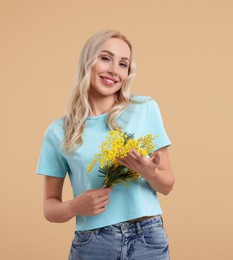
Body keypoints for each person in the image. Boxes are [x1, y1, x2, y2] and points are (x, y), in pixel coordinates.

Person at [36, 30, 175, 260]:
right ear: (88, 61)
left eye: (123, 64)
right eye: (105, 58)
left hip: (148, 239)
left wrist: (150, 172)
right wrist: (75, 206)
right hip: (93, 243)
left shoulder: (145, 109)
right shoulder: (59, 131)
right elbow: (50, 208)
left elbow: (168, 185)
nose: (113, 70)